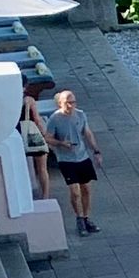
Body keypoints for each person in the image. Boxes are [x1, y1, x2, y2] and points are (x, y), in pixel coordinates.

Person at [45, 88, 100, 233]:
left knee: (86, 189)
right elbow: (48, 137)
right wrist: (61, 143)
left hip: (82, 156)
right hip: (66, 159)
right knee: (75, 191)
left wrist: (96, 150)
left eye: (73, 102)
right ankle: (79, 218)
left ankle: (87, 218)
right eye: (67, 103)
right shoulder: (54, 119)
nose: (71, 106)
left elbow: (87, 133)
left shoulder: (81, 115)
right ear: (60, 103)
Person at [18, 87, 52, 209]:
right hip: (32, 133)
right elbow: (37, 119)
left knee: (21, 168)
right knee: (42, 168)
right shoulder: (29, 100)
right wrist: (44, 134)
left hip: (17, 134)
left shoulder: (11, 100)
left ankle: (24, 194)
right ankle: (45, 195)